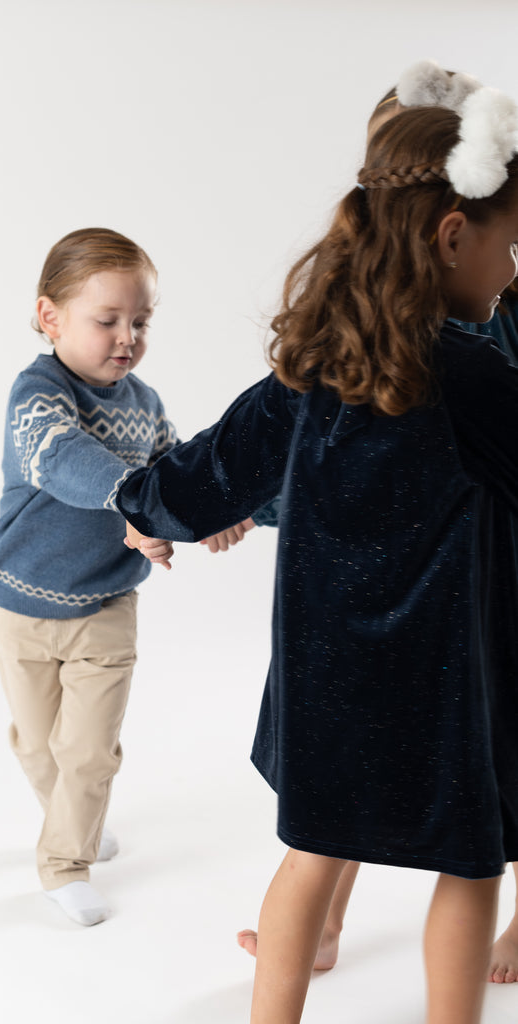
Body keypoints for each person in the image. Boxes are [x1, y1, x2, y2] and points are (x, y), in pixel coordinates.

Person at [117, 73, 518, 1024]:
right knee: (468, 867)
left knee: (308, 858)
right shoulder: (470, 375)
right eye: (508, 247)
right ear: (450, 238)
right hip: (443, 686)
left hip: (326, 683)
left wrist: (142, 507)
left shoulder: (311, 363)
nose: (509, 272)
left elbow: (207, 473)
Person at [235, 62, 518, 986]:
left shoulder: (477, 319)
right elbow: (298, 454)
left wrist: (178, 502)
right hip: (392, 600)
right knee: (356, 779)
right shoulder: (355, 334)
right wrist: (234, 505)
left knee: (487, 771)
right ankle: (323, 928)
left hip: (473, 573)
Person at [0, 227, 198, 927]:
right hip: (20, 602)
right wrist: (134, 502)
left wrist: (219, 514)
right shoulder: (38, 393)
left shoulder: (146, 405)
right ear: (51, 317)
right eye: (107, 320)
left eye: (141, 321)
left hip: (106, 605)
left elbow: (177, 480)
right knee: (37, 744)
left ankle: (63, 863)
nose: (126, 337)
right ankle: (75, 817)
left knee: (87, 752)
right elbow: (59, 458)